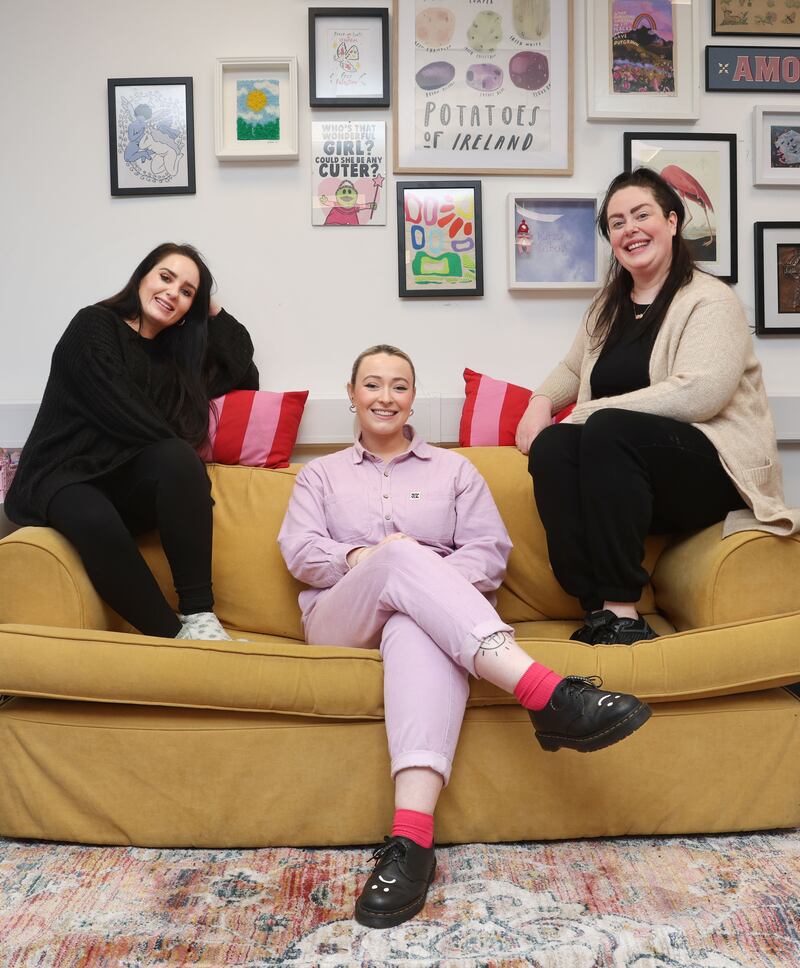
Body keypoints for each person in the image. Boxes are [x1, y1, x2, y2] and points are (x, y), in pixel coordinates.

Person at [278, 344, 652, 930]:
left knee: (415, 619)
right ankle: (544, 694)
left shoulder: (455, 471)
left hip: (426, 624)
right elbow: (301, 552)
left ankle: (410, 845)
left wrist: (424, 593)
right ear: (351, 394)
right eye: (372, 384)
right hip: (339, 620)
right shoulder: (319, 474)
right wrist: (373, 559)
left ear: (412, 399)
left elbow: (489, 554)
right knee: (400, 557)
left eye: (399, 386)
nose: (385, 396)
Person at [516, 168, 800, 646]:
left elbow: (700, 392)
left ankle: (625, 613)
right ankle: (597, 608)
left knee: (602, 427)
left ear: (672, 221)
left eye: (641, 215)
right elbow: (570, 369)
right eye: (617, 222)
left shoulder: (710, 300)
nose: (630, 229)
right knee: (555, 448)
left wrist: (587, 414)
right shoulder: (607, 306)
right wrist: (540, 403)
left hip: (713, 471)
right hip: (627, 479)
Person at [5, 242, 259, 641]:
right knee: (112, 501)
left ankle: (199, 618)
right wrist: (188, 479)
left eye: (188, 292)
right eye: (166, 277)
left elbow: (245, 373)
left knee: (176, 458)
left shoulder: (174, 360)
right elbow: (117, 408)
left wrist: (211, 310)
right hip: (65, 473)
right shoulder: (94, 325)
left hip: (122, 480)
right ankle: (174, 640)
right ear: (142, 276)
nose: (173, 292)